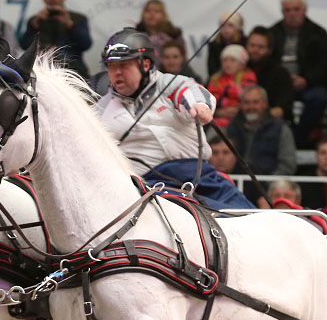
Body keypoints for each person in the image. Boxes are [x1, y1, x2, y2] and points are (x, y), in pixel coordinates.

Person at [95, 29, 253, 210]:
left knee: (249, 215)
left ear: (145, 64)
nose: (117, 73)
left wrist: (200, 106)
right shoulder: (101, 109)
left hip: (198, 176)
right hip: (145, 186)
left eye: (124, 66)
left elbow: (191, 92)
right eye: (112, 67)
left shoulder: (169, 84)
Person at [267, 0, 327, 146]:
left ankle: (296, 138)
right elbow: (267, 62)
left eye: (296, 9)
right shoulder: (272, 33)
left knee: (318, 98)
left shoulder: (318, 33)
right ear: (282, 12)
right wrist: (283, 80)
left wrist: (306, 80)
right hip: (280, 85)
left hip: (309, 85)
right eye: (288, 10)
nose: (292, 13)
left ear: (304, 10)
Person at [225, 85, 297, 197]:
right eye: (246, 102)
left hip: (269, 189)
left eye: (255, 102)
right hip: (234, 186)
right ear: (240, 105)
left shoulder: (280, 128)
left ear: (265, 104)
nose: (251, 106)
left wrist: (267, 185)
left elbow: (288, 164)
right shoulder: (230, 127)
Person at [19, 0, 91, 78]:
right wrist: (34, 27)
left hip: (73, 72)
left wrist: (70, 25)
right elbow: (24, 46)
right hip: (41, 72)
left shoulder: (78, 19)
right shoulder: (36, 20)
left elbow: (86, 44)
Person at [245, 26, 293, 121]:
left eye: (261, 47)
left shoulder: (281, 74)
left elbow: (282, 109)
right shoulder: (238, 68)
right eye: (252, 45)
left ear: (270, 50)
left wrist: (256, 119)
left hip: (269, 123)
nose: (255, 50)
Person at [207, 44, 256, 124]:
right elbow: (211, 98)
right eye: (225, 60)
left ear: (242, 64)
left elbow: (248, 97)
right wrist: (222, 109)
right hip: (219, 120)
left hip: (243, 119)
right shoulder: (216, 79)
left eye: (233, 60)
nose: (228, 63)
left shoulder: (248, 77)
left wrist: (237, 107)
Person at [207, 11, 245, 79]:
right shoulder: (214, 45)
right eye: (222, 25)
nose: (226, 29)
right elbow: (212, 71)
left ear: (237, 28)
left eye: (230, 25)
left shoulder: (245, 43)